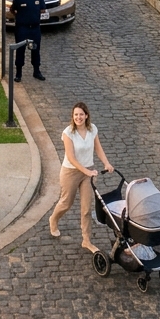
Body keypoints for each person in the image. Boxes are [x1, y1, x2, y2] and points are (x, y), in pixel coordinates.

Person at [49, 101, 113, 254]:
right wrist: (87, 171)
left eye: (81, 114)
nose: (78, 117)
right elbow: (71, 158)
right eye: (76, 114)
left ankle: (86, 240)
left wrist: (106, 163)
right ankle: (53, 219)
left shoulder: (92, 129)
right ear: (73, 116)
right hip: (70, 172)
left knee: (86, 209)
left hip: (88, 172)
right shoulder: (68, 133)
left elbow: (98, 148)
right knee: (66, 203)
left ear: (86, 115)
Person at [10, 0, 47, 82]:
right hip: (22, 28)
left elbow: (43, 10)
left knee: (35, 50)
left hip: (35, 29)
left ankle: (36, 71)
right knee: (20, 50)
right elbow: (13, 9)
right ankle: (18, 73)